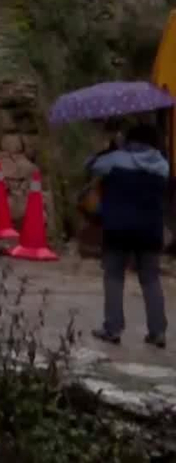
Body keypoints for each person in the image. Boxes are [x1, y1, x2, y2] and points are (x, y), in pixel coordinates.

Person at [89, 123, 170, 349]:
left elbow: (92, 166)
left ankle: (112, 329)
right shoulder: (162, 165)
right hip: (150, 230)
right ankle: (158, 332)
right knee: (151, 279)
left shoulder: (115, 159)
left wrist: (111, 148)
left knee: (114, 276)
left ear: (130, 140)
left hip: (118, 228)